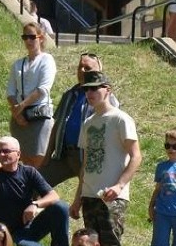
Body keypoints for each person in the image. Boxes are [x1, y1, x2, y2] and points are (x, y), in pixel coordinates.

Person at [70, 71, 142, 246]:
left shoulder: (121, 119)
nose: (90, 93)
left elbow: (136, 157)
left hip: (111, 196)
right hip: (89, 195)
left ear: (107, 90)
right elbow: (85, 165)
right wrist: (78, 198)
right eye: (87, 89)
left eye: (95, 88)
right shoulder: (88, 122)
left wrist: (119, 186)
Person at [41, 52, 120, 187]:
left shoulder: (106, 97)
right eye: (80, 67)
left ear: (98, 70)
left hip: (88, 157)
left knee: (91, 195)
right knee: (37, 184)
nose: (82, 71)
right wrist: (47, 154)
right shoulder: (69, 94)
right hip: (64, 154)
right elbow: (57, 125)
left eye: (87, 68)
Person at [0, 136, 69, 246]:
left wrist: (35, 204)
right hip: (7, 233)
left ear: (18, 154)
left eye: (6, 151)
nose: (1, 154)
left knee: (61, 207)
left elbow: (53, 196)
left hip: (30, 226)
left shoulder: (28, 172)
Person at [6, 22, 57, 168]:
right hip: (19, 116)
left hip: (39, 115)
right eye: (25, 37)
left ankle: (38, 190)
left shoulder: (46, 60)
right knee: (21, 159)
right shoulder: (18, 64)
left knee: (38, 159)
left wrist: (20, 106)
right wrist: (17, 113)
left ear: (41, 38)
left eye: (31, 37)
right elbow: (10, 92)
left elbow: (43, 89)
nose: (28, 40)